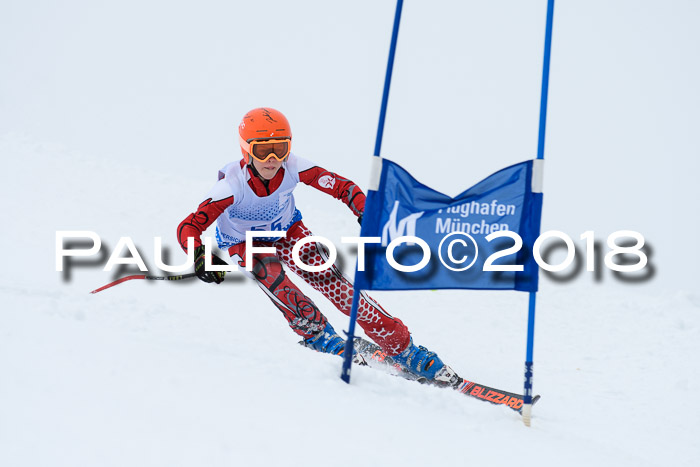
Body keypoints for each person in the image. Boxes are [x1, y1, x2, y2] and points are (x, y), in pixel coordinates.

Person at [176, 107, 455, 382]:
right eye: (263, 151)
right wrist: (201, 256)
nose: (272, 159)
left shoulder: (294, 166)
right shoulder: (231, 186)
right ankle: (320, 335)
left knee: (338, 287)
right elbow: (189, 227)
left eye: (280, 148)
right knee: (277, 283)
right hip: (243, 242)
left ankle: (403, 348)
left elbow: (342, 187)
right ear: (246, 151)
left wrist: (364, 211)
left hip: (287, 230)